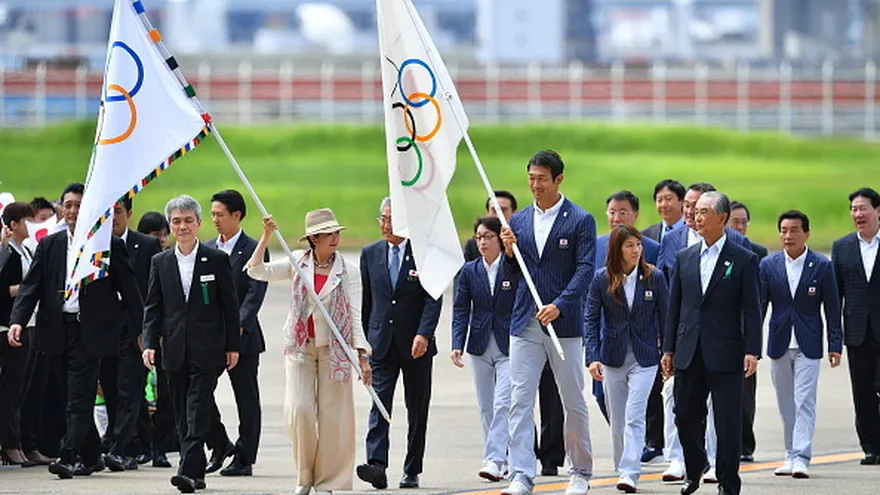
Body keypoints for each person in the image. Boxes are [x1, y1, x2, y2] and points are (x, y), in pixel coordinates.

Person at [7, 183, 143, 479]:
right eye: (68, 205)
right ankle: (93, 456)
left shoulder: (107, 246)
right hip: (56, 330)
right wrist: (18, 319)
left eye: (79, 205)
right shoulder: (50, 245)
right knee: (71, 396)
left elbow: (131, 292)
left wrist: (142, 329)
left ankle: (68, 456)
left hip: (90, 332)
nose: (72, 211)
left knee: (79, 399)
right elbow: (31, 287)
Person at [246, 209, 372, 495]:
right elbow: (256, 271)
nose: (336, 238)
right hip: (300, 349)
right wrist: (265, 237)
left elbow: (354, 314)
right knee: (300, 411)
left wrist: (362, 356)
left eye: (337, 233)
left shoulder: (348, 271)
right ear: (314, 239)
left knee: (333, 418)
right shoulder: (296, 263)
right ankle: (304, 477)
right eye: (329, 234)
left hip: (334, 352)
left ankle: (329, 482)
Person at [499, 150, 595, 495]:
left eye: (541, 178)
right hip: (524, 323)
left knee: (572, 398)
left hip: (564, 326)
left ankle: (580, 472)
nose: (535, 185)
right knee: (519, 399)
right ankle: (522, 473)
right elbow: (513, 275)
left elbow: (585, 270)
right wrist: (509, 253)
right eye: (531, 178)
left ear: (558, 179)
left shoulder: (580, 220)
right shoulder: (519, 221)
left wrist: (561, 304)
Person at [661, 191, 762, 495]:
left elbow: (751, 309)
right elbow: (674, 307)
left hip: (727, 352)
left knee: (728, 423)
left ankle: (729, 484)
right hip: (688, 350)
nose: (696, 216)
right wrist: (668, 349)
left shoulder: (743, 259)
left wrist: (752, 350)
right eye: (695, 211)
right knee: (684, 416)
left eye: (704, 212)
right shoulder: (685, 258)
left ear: (723, 218)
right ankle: (695, 468)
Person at [141, 195, 240, 493]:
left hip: (208, 347)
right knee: (184, 411)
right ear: (170, 226)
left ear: (198, 223)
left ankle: (186, 467)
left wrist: (232, 345)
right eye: (176, 221)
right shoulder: (160, 261)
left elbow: (230, 307)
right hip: (173, 347)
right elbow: (153, 307)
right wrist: (149, 342)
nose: (182, 226)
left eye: (188, 220)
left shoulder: (217, 259)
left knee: (197, 407)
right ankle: (196, 474)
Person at [356, 197, 442, 490]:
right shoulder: (370, 254)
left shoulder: (423, 253)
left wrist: (424, 333)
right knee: (379, 404)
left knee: (417, 408)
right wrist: (363, 345)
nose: (386, 224)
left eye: (392, 218)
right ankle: (376, 464)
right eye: (383, 218)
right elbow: (368, 303)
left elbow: (434, 298)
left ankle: (412, 468)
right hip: (381, 343)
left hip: (416, 344)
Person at [760, 210, 842, 479]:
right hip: (779, 341)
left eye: (794, 230)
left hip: (809, 342)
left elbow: (832, 307)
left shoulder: (821, 265)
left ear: (806, 234)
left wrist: (835, 344)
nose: (788, 235)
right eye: (783, 230)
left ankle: (802, 456)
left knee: (804, 400)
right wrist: (749, 345)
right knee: (786, 403)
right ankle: (789, 453)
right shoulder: (769, 265)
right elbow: (759, 308)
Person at [586, 224, 668, 493]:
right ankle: (622, 465)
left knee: (635, 415)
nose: (636, 250)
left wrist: (668, 353)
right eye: (629, 245)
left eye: (638, 245)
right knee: (618, 418)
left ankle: (630, 472)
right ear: (617, 249)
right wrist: (593, 357)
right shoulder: (602, 279)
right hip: (613, 356)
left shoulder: (653, 276)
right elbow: (590, 319)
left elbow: (666, 317)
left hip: (645, 358)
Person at [203, 190, 269, 477]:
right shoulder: (205, 249)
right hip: (208, 339)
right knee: (198, 394)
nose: (214, 219)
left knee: (246, 399)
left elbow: (254, 295)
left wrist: (236, 329)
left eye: (220, 214)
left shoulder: (255, 248)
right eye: (213, 214)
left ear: (237, 215)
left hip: (243, 339)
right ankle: (219, 443)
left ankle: (244, 457)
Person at [451, 216, 517, 481]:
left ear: (499, 239)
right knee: (486, 406)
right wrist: (457, 343)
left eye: (488, 236)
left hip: (508, 344)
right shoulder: (469, 271)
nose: (482, 242)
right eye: (478, 237)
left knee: (503, 403)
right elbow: (460, 309)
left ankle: (493, 459)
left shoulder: (512, 267)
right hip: (479, 344)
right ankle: (502, 458)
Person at [100, 197, 162, 472]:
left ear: (129, 213)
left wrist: (148, 331)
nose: (113, 218)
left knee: (130, 387)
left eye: (118, 212)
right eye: (108, 213)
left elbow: (154, 291)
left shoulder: (146, 245)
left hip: (136, 326)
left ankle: (119, 448)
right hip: (104, 327)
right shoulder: (96, 246)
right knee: (112, 387)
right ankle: (143, 443)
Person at [592, 190, 660, 426]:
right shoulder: (596, 245)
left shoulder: (651, 248)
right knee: (601, 395)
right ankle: (625, 440)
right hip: (606, 335)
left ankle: (639, 443)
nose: (617, 217)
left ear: (635, 215)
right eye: (612, 212)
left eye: (623, 212)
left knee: (638, 403)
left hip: (642, 337)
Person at [831, 187, 880, 465]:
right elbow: (835, 296)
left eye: (863, 208)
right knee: (862, 391)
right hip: (857, 331)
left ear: (878, 211)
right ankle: (871, 446)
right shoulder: (842, 247)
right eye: (854, 209)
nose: (858, 214)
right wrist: (835, 340)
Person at [134, 210, 175, 466]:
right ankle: (144, 441)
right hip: (142, 335)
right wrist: (146, 335)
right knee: (136, 392)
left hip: (168, 336)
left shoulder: (170, 260)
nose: (161, 240)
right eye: (155, 236)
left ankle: (162, 446)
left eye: (163, 235)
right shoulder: (142, 262)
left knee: (167, 395)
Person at [727, 200, 767, 462]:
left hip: (745, 331)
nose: (740, 226)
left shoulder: (758, 253)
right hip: (721, 329)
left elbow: (759, 299)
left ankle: (745, 444)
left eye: (743, 221)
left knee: (744, 393)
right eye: (735, 221)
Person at [0, 202, 39, 466]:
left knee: (26, 388)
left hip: (30, 324)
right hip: (8, 326)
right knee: (11, 388)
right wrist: (30, 287)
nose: (30, 226)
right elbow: (3, 288)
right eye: (26, 221)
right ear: (13, 225)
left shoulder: (24, 250)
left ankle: (25, 442)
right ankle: (10, 444)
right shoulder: (7, 254)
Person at [463, 191, 518, 262]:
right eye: (494, 210)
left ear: (514, 213)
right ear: (487, 213)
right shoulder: (473, 244)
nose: (498, 215)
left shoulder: (520, 241)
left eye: (503, 210)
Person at [641, 179, 686, 243]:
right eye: (659, 200)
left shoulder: (693, 232)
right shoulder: (645, 235)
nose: (663, 205)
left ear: (682, 201)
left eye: (668, 199)